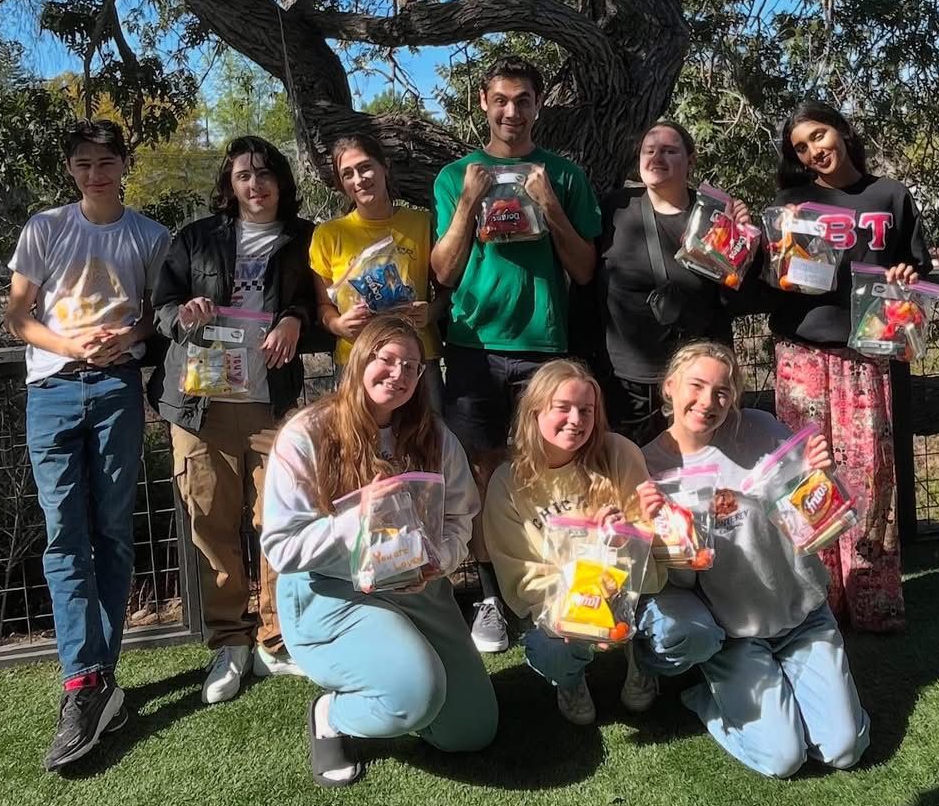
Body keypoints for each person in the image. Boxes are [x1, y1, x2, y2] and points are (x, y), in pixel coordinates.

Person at [261, 316, 498, 786]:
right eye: (386, 359)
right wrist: (358, 519)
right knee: (414, 693)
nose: (399, 374)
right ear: (358, 361)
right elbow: (281, 548)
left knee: (472, 730)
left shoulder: (434, 435)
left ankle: (408, 683)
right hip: (332, 591)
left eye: (411, 366)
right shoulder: (307, 434)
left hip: (415, 586)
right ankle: (333, 713)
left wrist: (439, 562)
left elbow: (459, 518)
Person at [6, 119, 169, 771]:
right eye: (83, 163)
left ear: (124, 163)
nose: (95, 174)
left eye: (105, 162)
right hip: (50, 392)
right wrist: (71, 345)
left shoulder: (151, 236)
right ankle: (85, 678)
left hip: (116, 390)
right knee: (63, 535)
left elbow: (157, 313)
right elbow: (18, 316)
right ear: (70, 169)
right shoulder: (44, 228)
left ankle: (98, 679)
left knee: (112, 532)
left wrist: (126, 336)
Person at [432, 55, 602, 655]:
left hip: (544, 347)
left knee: (546, 473)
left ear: (538, 105)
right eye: (501, 99)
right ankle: (489, 599)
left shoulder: (564, 175)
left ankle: (549, 588)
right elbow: (443, 273)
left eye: (523, 100)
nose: (512, 111)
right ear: (483, 103)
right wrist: (467, 205)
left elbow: (584, 269)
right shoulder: (456, 176)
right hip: (474, 347)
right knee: (481, 474)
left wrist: (548, 204)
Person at [640, 340, 870, 778]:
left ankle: (789, 695)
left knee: (844, 750)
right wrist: (670, 543)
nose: (708, 402)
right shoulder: (651, 468)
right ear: (669, 386)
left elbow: (813, 518)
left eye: (722, 392)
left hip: (804, 616)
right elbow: (680, 584)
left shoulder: (761, 429)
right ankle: (707, 701)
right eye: (696, 386)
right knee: (784, 759)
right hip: (736, 633)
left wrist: (822, 474)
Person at [149, 137, 323, 704]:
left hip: (272, 403)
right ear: (229, 184)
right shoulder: (196, 238)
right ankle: (230, 641)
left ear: (281, 181)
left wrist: (295, 318)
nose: (255, 184)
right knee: (211, 523)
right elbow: (162, 307)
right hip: (201, 405)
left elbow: (322, 303)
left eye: (265, 173)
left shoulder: (306, 239)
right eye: (244, 175)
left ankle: (275, 638)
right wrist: (185, 313)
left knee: (279, 520)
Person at [768, 99, 932, 633]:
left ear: (840, 131)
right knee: (808, 477)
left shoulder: (891, 195)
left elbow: (919, 272)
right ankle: (817, 599)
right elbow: (772, 279)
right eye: (800, 147)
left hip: (867, 357)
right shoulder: (791, 203)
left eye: (818, 135)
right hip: (800, 354)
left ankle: (872, 600)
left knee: (870, 476)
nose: (813, 151)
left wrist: (906, 277)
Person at [483, 359, 721, 725]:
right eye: (563, 408)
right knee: (551, 653)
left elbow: (649, 539)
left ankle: (643, 662)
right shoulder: (507, 483)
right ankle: (571, 680)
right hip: (564, 603)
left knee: (697, 636)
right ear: (534, 411)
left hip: (636, 593)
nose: (576, 420)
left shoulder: (618, 452)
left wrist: (623, 540)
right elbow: (521, 575)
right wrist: (582, 611)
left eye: (586, 410)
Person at [597, 119, 756, 445]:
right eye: (649, 151)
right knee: (633, 468)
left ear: (690, 160)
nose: (657, 158)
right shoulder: (615, 208)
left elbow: (734, 301)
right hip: (628, 381)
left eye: (669, 151)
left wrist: (741, 246)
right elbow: (587, 287)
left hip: (696, 383)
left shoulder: (714, 216)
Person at [310, 132, 445, 411]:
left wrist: (430, 312)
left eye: (365, 167)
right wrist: (338, 325)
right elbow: (323, 306)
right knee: (357, 436)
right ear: (341, 183)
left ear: (385, 167)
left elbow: (447, 291)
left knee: (428, 435)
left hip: (417, 358)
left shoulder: (423, 223)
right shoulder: (328, 235)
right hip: (357, 359)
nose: (359, 179)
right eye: (347, 174)